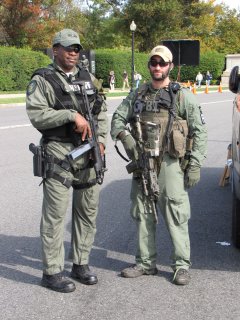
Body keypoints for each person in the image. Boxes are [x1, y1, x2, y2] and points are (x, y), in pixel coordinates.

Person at [111, 45, 207, 285]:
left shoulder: (182, 96)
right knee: (142, 212)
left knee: (176, 213)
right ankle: (145, 263)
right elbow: (117, 120)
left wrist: (194, 163)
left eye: (162, 63)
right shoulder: (138, 94)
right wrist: (127, 139)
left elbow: (200, 131)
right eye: (153, 63)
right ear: (149, 66)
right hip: (143, 163)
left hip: (170, 163)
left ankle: (181, 266)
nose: (157, 67)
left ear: (170, 66)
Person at [26, 29, 108, 293]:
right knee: (55, 217)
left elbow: (101, 110)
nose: (74, 52)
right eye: (68, 47)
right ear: (55, 49)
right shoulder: (43, 79)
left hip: (89, 153)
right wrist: (70, 115)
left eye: (77, 48)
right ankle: (52, 272)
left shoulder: (89, 79)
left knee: (87, 213)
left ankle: (81, 264)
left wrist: (102, 140)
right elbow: (38, 115)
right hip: (59, 155)